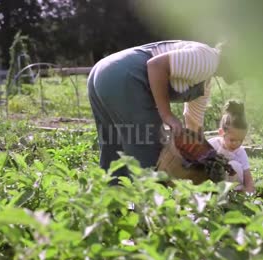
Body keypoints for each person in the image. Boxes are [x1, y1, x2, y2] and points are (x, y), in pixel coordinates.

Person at [87, 40, 236, 183]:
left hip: (104, 73)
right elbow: (156, 65)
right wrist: (167, 115)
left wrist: (207, 159)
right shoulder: (208, 60)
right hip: (126, 78)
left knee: (113, 147)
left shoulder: (205, 81)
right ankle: (144, 207)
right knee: (148, 154)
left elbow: (193, 123)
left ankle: (113, 206)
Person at [208, 100, 255, 193]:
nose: (236, 143)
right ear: (221, 133)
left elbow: (248, 177)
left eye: (240, 140)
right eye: (232, 140)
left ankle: (233, 194)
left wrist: (249, 190)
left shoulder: (240, 152)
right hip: (213, 186)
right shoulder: (212, 145)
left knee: (234, 165)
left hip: (234, 188)